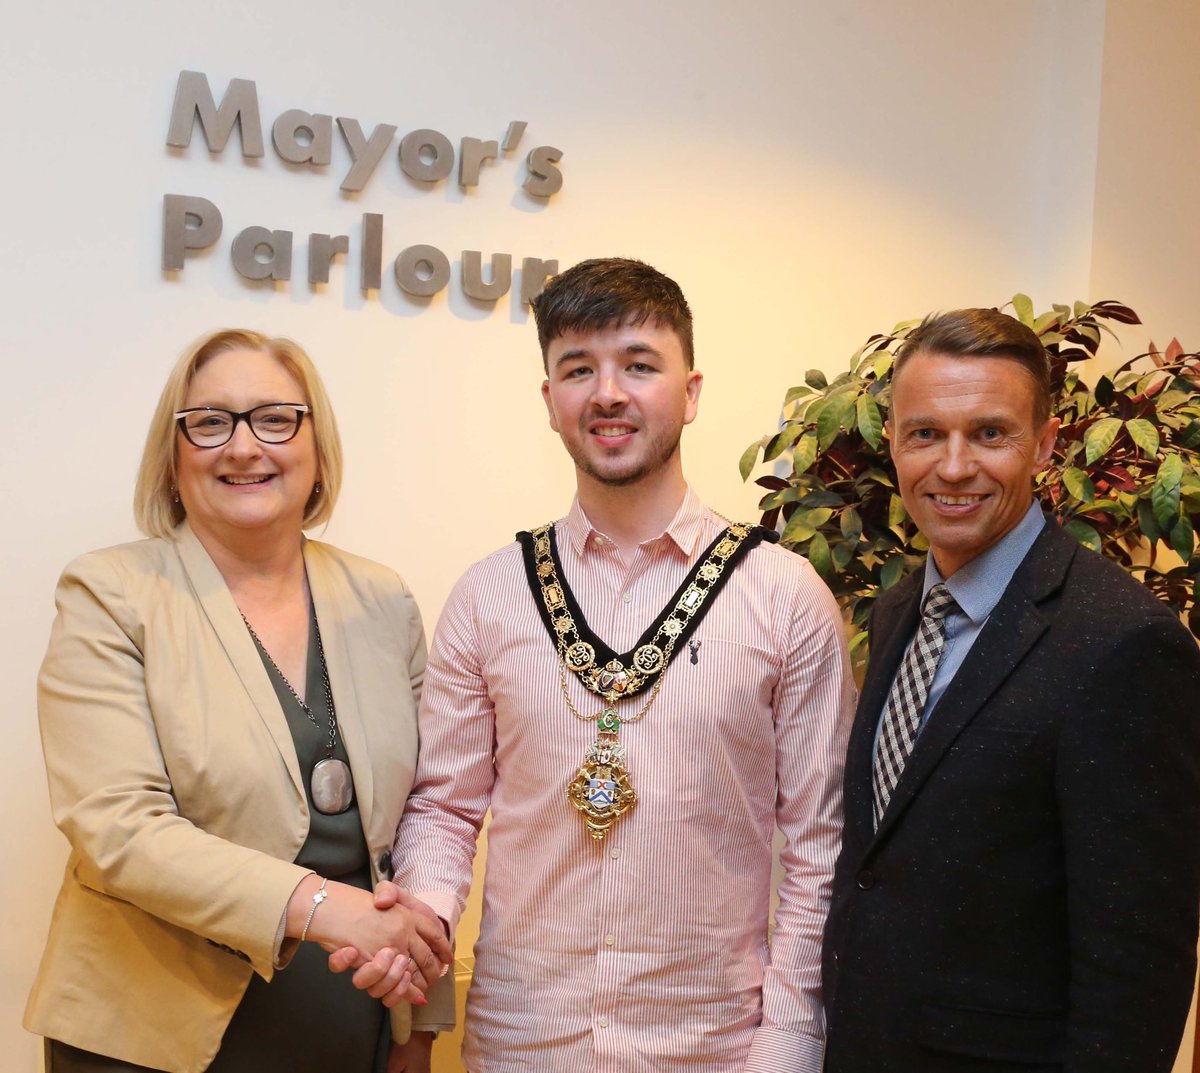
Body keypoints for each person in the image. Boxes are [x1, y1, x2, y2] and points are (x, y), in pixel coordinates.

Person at [335, 258, 856, 1072]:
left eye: (639, 365)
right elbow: (444, 807)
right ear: (550, 402)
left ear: (689, 390)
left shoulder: (785, 597)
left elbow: (820, 845)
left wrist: (789, 1046)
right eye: (579, 369)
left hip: (716, 1050)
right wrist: (424, 920)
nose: (608, 393)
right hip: (522, 1042)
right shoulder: (488, 596)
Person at [25, 329, 453, 1073]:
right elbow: (120, 828)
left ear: (317, 447)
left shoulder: (381, 600)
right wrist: (329, 905)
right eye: (211, 422)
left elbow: (428, 815)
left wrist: (422, 1022)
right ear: (173, 453)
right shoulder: (110, 594)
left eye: (276, 418)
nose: (244, 447)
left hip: (353, 1032)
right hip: (147, 1039)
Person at [822, 308, 1200, 1072]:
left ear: (1045, 445)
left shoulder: (1125, 640)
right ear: (892, 441)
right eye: (926, 433)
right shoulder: (898, 609)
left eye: (989, 433)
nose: (953, 466)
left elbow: (1136, 959)